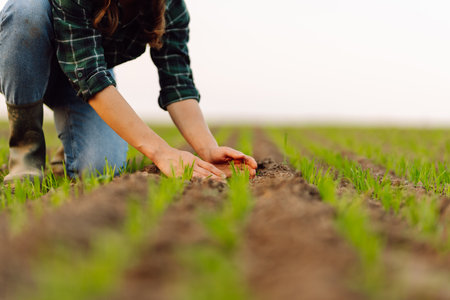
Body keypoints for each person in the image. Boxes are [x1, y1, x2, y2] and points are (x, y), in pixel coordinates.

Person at [0, 0, 257, 183]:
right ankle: (26, 154)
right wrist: (162, 152)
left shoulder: (171, 6)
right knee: (26, 8)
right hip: (29, 66)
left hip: (89, 81)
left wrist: (208, 149)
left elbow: (177, 84)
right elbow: (88, 74)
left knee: (98, 170)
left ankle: (70, 147)